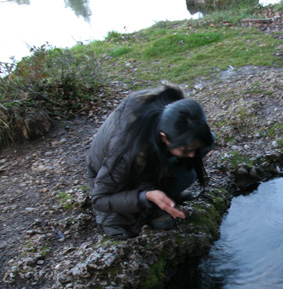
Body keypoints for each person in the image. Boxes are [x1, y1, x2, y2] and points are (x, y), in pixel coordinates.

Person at [87, 84, 215, 239]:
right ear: (164, 138)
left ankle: (163, 194)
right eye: (185, 150)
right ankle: (153, 205)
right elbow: (99, 199)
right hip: (117, 180)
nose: (192, 155)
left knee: (198, 159)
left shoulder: (176, 112)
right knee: (122, 227)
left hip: (146, 161)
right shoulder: (126, 151)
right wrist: (146, 196)